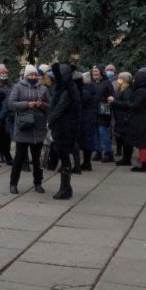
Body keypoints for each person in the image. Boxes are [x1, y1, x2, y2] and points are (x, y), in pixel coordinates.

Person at [6, 65, 49, 194]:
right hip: (23, 126)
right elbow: (11, 104)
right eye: (30, 75)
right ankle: (13, 183)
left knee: (37, 159)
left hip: (38, 127)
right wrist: (27, 104)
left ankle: (38, 183)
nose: (33, 77)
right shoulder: (18, 87)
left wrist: (42, 104)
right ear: (26, 76)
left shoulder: (43, 88)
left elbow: (50, 106)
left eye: (35, 75)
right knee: (19, 158)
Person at [48, 63, 80, 199]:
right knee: (63, 156)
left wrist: (50, 121)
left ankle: (65, 189)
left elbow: (60, 107)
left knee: (64, 158)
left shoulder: (68, 90)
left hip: (65, 129)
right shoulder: (65, 88)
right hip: (64, 127)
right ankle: (66, 188)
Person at [127, 70, 146, 172]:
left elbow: (135, 105)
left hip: (141, 120)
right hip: (145, 119)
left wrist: (128, 104)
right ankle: (142, 163)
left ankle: (143, 165)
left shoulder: (141, 92)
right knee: (143, 143)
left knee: (142, 143)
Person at [109, 72, 135, 166]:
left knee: (126, 140)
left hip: (124, 118)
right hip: (119, 117)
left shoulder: (128, 90)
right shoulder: (121, 88)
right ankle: (125, 158)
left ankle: (127, 159)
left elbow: (126, 104)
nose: (118, 80)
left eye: (120, 78)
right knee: (122, 138)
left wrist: (114, 101)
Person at [75, 68, 97, 173]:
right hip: (90, 118)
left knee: (84, 141)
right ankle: (87, 163)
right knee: (88, 141)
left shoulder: (84, 92)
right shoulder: (92, 89)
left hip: (84, 119)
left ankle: (86, 163)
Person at [92, 65, 115, 163]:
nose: (94, 73)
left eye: (96, 71)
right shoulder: (92, 83)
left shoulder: (107, 83)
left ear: (101, 72)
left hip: (103, 110)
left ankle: (109, 153)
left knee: (102, 131)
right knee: (95, 133)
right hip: (94, 111)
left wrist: (110, 100)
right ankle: (98, 152)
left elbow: (112, 95)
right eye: (93, 71)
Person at [0, 63, 14, 164]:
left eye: (5, 73)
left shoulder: (11, 85)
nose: (4, 75)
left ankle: (7, 154)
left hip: (9, 113)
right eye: (2, 73)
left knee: (7, 135)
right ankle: (1, 154)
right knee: (0, 135)